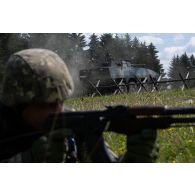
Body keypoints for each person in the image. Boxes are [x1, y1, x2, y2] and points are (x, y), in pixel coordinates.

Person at [0, 48, 158, 163]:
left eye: (60, 102)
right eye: (44, 105)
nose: (57, 111)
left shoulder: (72, 125)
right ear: (17, 105)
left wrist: (135, 159)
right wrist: (27, 160)